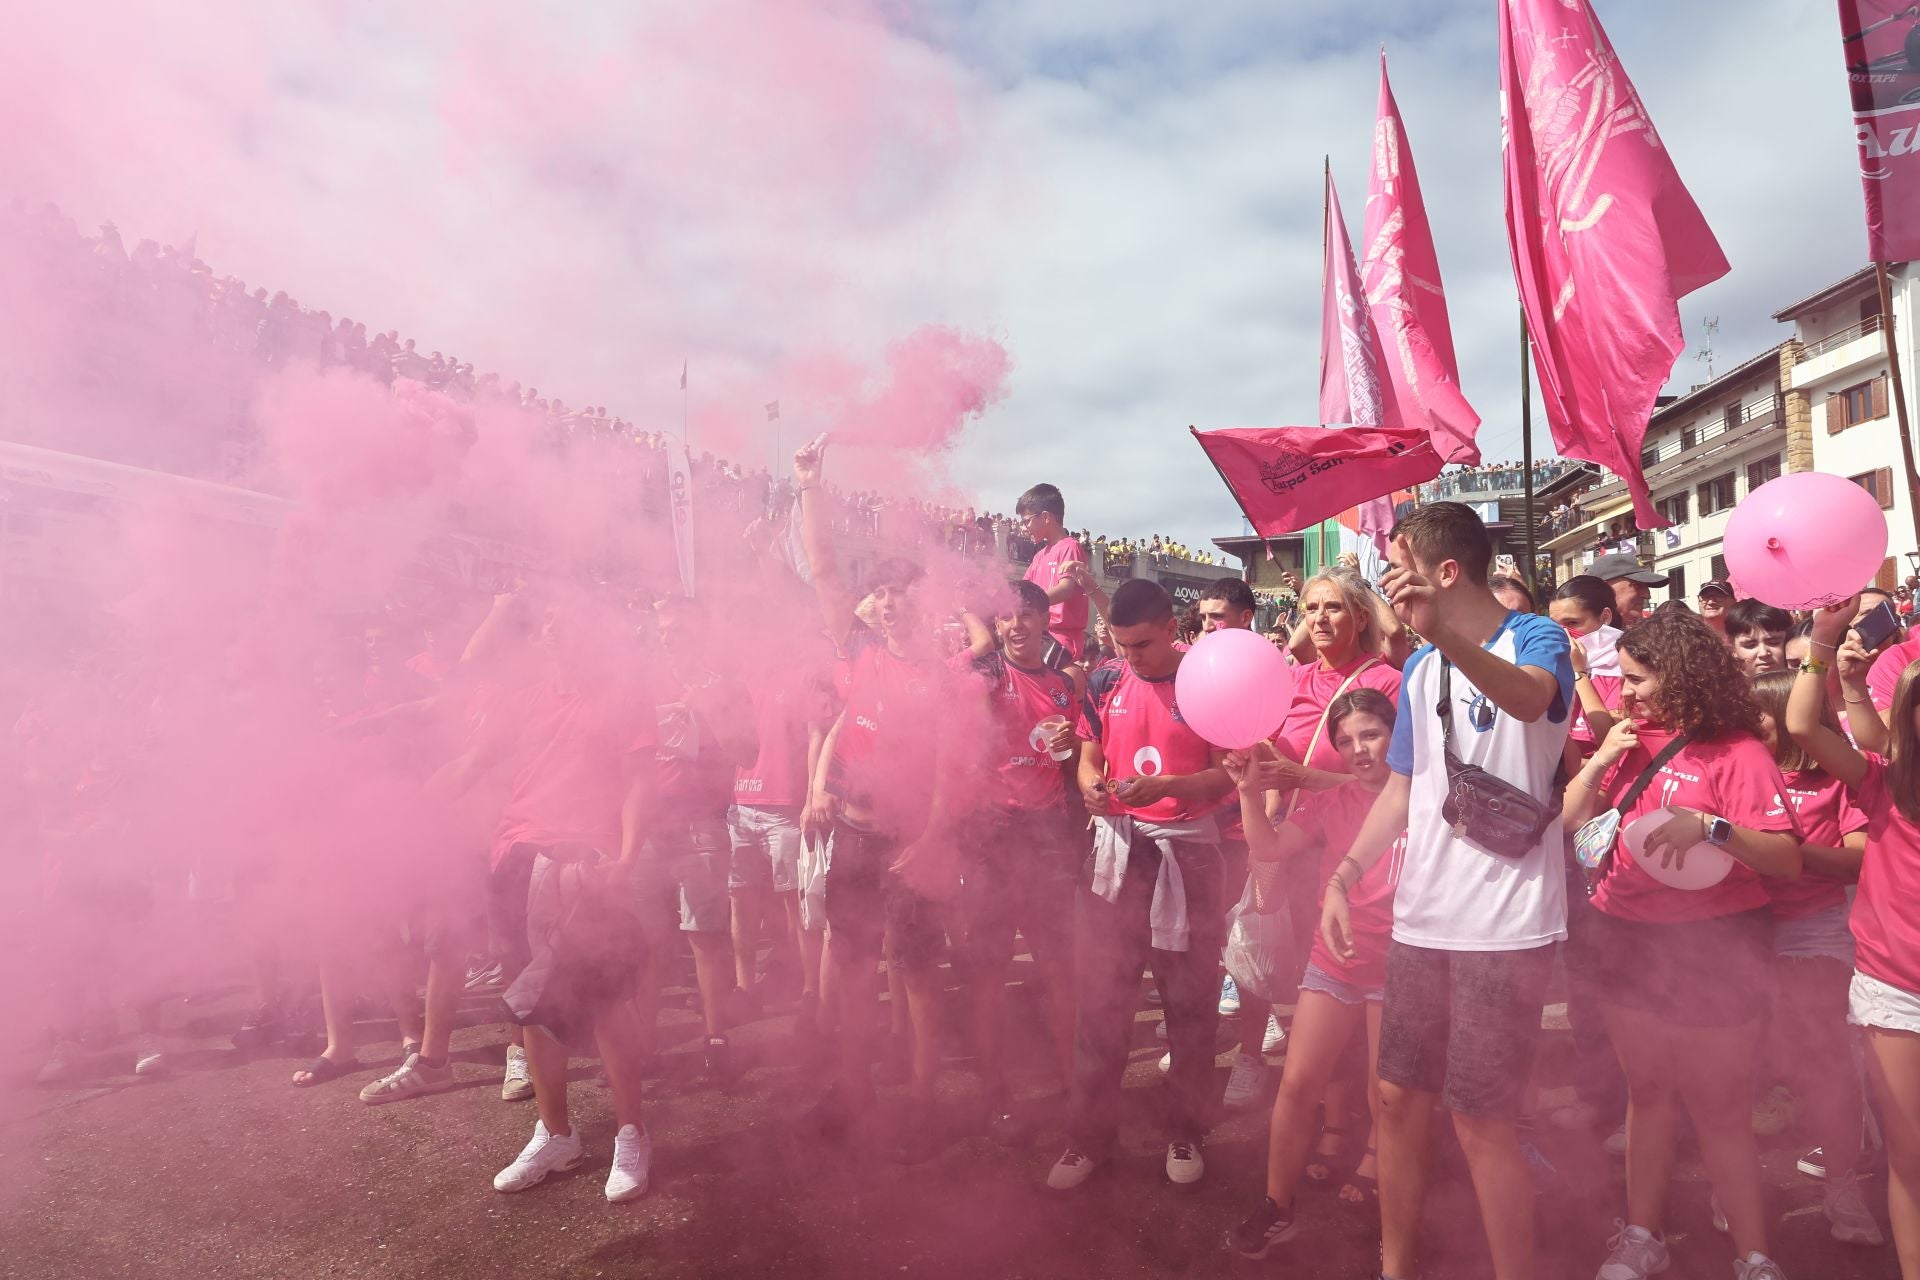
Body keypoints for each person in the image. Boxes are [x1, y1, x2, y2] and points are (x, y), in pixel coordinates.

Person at [1322, 502, 1573, 1280]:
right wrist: (1342, 875)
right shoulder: (1421, 666)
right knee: (1394, 1098)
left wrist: (1443, 638)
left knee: (1481, 1118)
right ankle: (1395, 1267)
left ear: (1446, 571)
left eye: (1397, 562)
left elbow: (1531, 701)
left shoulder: (1538, 637)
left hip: (1504, 924)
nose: (1386, 577)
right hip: (1420, 920)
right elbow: (1404, 790)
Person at [1562, 611, 1805, 1280]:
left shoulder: (1739, 753)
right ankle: (1643, 1234)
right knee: (1648, 1091)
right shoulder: (1624, 739)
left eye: (1637, 680)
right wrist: (1603, 760)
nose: (1625, 693)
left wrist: (1713, 828)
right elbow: (1571, 822)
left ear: (1683, 677)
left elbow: (1786, 859)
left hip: (1717, 943)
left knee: (1720, 1104)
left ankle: (1753, 1255)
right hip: (1625, 936)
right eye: (1623, 680)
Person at [793, 435, 978, 1164]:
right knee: (851, 967)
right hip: (855, 839)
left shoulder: (942, 677)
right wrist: (809, 484)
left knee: (920, 976)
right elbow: (824, 570)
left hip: (911, 846)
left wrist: (929, 843)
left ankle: (925, 1101)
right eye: (882, 593)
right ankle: (852, 1092)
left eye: (904, 592)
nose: (889, 602)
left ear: (921, 602)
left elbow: (946, 775)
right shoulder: (859, 653)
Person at [439, 594, 658, 1202]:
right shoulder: (527, 694)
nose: (556, 633)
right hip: (516, 860)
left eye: (570, 624)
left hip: (584, 867)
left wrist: (629, 857)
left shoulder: (622, 696)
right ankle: (556, 1132)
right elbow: (475, 757)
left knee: (607, 1003)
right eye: (551, 625)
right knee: (530, 1005)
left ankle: (632, 1133)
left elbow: (641, 784)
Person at [1047, 578, 1233, 1192]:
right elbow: (1087, 752)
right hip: (1117, 856)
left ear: (1172, 629)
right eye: (1123, 646)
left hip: (1189, 856)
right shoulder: (1105, 680)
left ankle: (1185, 1128)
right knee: (1101, 1001)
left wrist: (1168, 788)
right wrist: (1090, 785)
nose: (1132, 657)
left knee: (1189, 1005)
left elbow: (1226, 779)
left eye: (1144, 645)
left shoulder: (1206, 684)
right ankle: (1087, 1139)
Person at [1226, 688, 1406, 1258]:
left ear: (1396, 736)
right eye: (1346, 740)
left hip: (1401, 966)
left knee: (1389, 1098)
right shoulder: (1334, 800)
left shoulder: (1428, 800)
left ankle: (1392, 1213)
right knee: (1299, 1083)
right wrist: (1249, 794)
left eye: (1371, 735)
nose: (1359, 749)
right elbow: (1270, 847)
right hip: (1335, 962)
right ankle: (1278, 1205)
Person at [1789, 599, 1920, 1278]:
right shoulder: (1883, 785)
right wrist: (1822, 643)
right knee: (1910, 1157)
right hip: (1896, 993)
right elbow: (1801, 725)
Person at [1256, 569, 1404, 1156]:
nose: (1319, 619)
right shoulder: (1288, 680)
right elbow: (1267, 753)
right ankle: (1336, 1122)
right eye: (1310, 608)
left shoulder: (1389, 682)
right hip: (1297, 852)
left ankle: (1377, 1141)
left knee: (1369, 1000)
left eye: (1335, 608)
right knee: (1314, 1001)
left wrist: (1304, 778)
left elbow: (1388, 781)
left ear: (1360, 618)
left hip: (1365, 857)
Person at [1749, 670, 1881, 1244]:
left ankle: (1842, 1182)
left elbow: (1857, 863)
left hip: (1816, 933)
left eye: (1755, 713)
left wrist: (1783, 852)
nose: (1744, 722)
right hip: (1742, 928)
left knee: (1825, 1063)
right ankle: (1734, 1186)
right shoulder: (1737, 768)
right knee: (1742, 1066)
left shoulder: (1836, 780)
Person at [960, 580, 1081, 1142]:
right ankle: (994, 1093)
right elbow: (959, 714)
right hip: (993, 836)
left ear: (1045, 620)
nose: (1016, 626)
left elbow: (1070, 756)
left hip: (1048, 837)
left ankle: (1071, 1085)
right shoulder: (986, 677)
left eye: (1027, 615)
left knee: (1058, 968)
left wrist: (1068, 750)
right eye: (1006, 617)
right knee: (988, 972)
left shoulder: (1064, 683)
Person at [644, 595, 757, 1081]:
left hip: (702, 824)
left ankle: (716, 1039)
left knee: (705, 936)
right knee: (646, 940)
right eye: (662, 633)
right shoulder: (644, 685)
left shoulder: (726, 688)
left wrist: (709, 722)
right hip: (648, 826)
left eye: (678, 631)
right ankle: (642, 1042)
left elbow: (750, 752)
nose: (669, 641)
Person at [1548, 576, 1623, 760]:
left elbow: (1610, 737)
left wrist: (1578, 674)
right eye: (1554, 625)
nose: (1562, 633)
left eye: (1572, 623)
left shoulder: (1625, 665)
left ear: (1605, 617)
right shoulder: (1551, 662)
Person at [1015, 483, 1090, 668]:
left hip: (1061, 639)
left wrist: (1032, 603)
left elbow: (1065, 589)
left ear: (1046, 517)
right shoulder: (1039, 556)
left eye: (1027, 521)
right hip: (1040, 635)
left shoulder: (1070, 547)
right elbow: (1021, 591)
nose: (1025, 528)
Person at [1590, 553, 1667, 629]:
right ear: (1603, 589)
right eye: (1637, 585)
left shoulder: (1649, 637)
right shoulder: (1582, 640)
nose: (1647, 595)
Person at [1724, 599, 1791, 677]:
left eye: (1774, 642)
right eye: (1750, 645)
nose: (1763, 653)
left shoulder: (1806, 673)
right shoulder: (1720, 687)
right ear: (1733, 648)